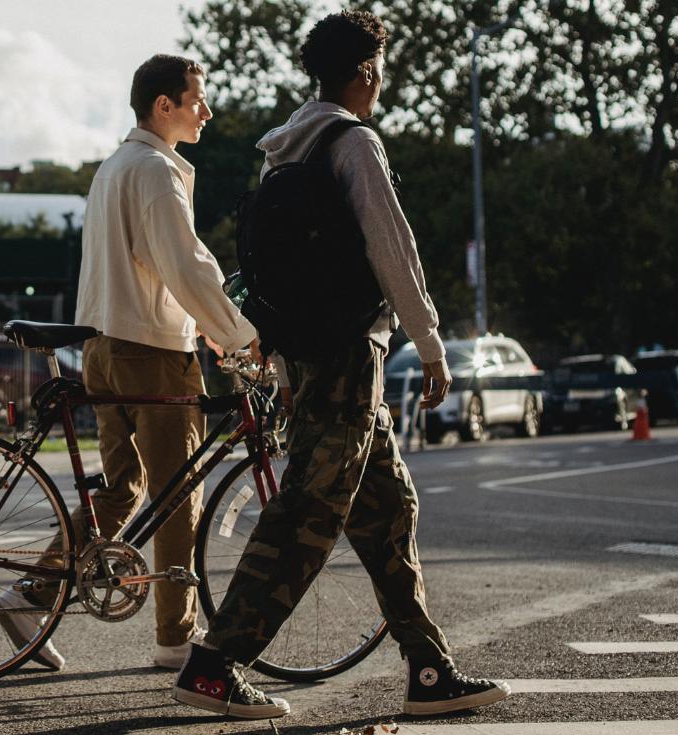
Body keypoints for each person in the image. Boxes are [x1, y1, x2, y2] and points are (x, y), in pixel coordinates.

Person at [171, 10, 510, 719]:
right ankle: (214, 661)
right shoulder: (354, 143)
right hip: (351, 357)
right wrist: (432, 344)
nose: (379, 85)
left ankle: (427, 668)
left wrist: (290, 372)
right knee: (306, 517)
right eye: (377, 72)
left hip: (314, 357)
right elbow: (395, 251)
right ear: (363, 74)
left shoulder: (284, 150)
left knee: (390, 509)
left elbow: (270, 276)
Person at [0, 54, 259, 671]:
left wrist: (212, 328)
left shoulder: (113, 167)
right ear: (163, 106)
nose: (207, 112)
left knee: (121, 489)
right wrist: (237, 334)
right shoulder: (155, 171)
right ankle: (174, 640)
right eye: (197, 100)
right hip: (151, 352)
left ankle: (30, 590)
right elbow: (184, 265)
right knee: (175, 497)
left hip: (103, 348)